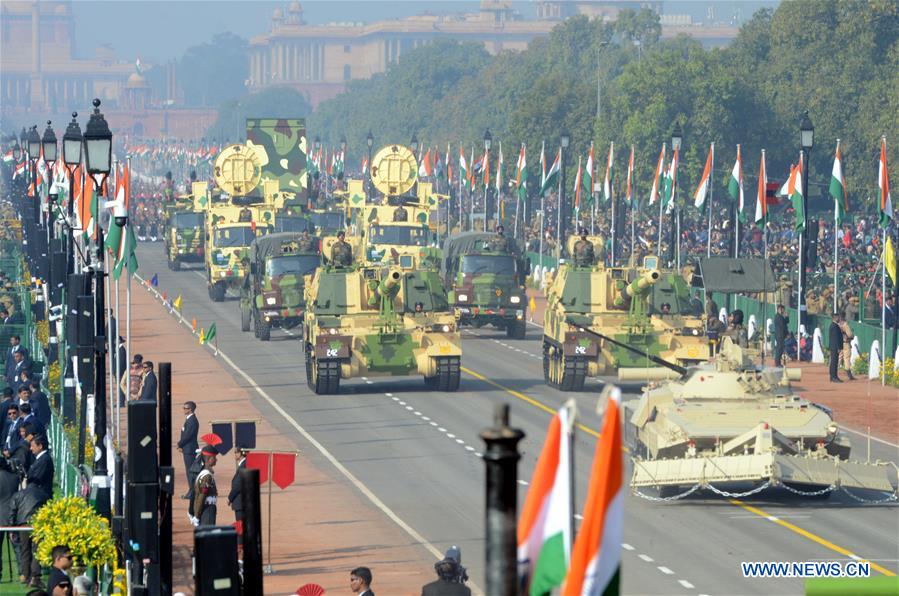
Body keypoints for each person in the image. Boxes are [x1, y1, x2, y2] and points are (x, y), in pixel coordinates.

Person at [192, 445, 219, 527]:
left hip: (205, 510)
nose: (216, 460)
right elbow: (201, 496)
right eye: (214, 457)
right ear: (208, 459)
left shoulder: (204, 473)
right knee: (209, 536)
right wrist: (197, 515)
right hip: (207, 510)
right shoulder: (207, 476)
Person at [177, 401, 199, 499]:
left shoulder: (192, 421)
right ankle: (191, 490)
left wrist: (180, 444)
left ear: (190, 409)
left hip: (190, 449)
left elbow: (188, 436)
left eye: (185, 408)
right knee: (189, 471)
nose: (183, 409)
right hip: (187, 449)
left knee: (191, 471)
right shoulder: (189, 420)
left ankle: (192, 491)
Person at [228, 447, 248, 522]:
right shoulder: (243, 464)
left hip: (240, 503)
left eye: (236, 452)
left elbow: (237, 485)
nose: (235, 454)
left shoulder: (243, 465)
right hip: (242, 502)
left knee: (241, 526)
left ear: (241, 453)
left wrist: (230, 498)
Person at [839, 314, 856, 381]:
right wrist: (852, 336)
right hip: (846, 343)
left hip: (839, 343)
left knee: (839, 357)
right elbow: (850, 334)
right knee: (847, 358)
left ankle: (834, 373)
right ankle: (849, 373)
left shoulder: (837, 325)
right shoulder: (845, 325)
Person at [828, 312, 843, 382]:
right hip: (835, 347)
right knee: (834, 362)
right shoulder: (834, 326)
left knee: (833, 362)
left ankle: (833, 376)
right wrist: (838, 348)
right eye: (838, 317)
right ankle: (834, 377)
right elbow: (836, 338)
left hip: (833, 346)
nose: (839, 319)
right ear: (835, 318)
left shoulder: (833, 325)